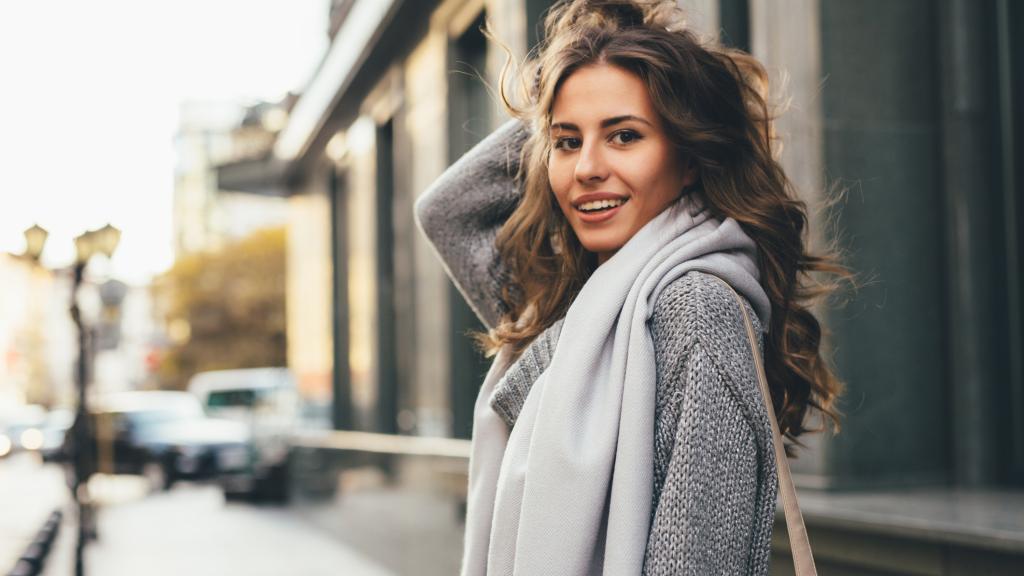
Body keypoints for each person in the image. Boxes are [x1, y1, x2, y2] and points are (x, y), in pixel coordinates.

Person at [415, 0, 852, 574]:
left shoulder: (698, 308)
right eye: (567, 142)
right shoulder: (570, 304)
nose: (587, 168)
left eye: (624, 136)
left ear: (691, 157)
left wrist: (626, 74)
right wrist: (589, 64)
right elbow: (450, 211)